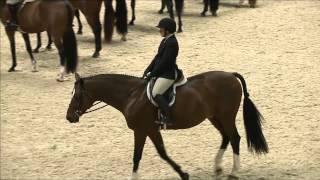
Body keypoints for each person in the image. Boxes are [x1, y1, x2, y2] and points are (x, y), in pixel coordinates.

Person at [142, 17, 180, 125]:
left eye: (161, 29)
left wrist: (152, 74)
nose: (160, 30)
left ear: (167, 30)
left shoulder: (172, 43)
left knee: (156, 92)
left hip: (167, 74)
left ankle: (168, 117)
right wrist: (148, 69)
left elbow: (165, 62)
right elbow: (157, 57)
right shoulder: (165, 40)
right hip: (162, 72)